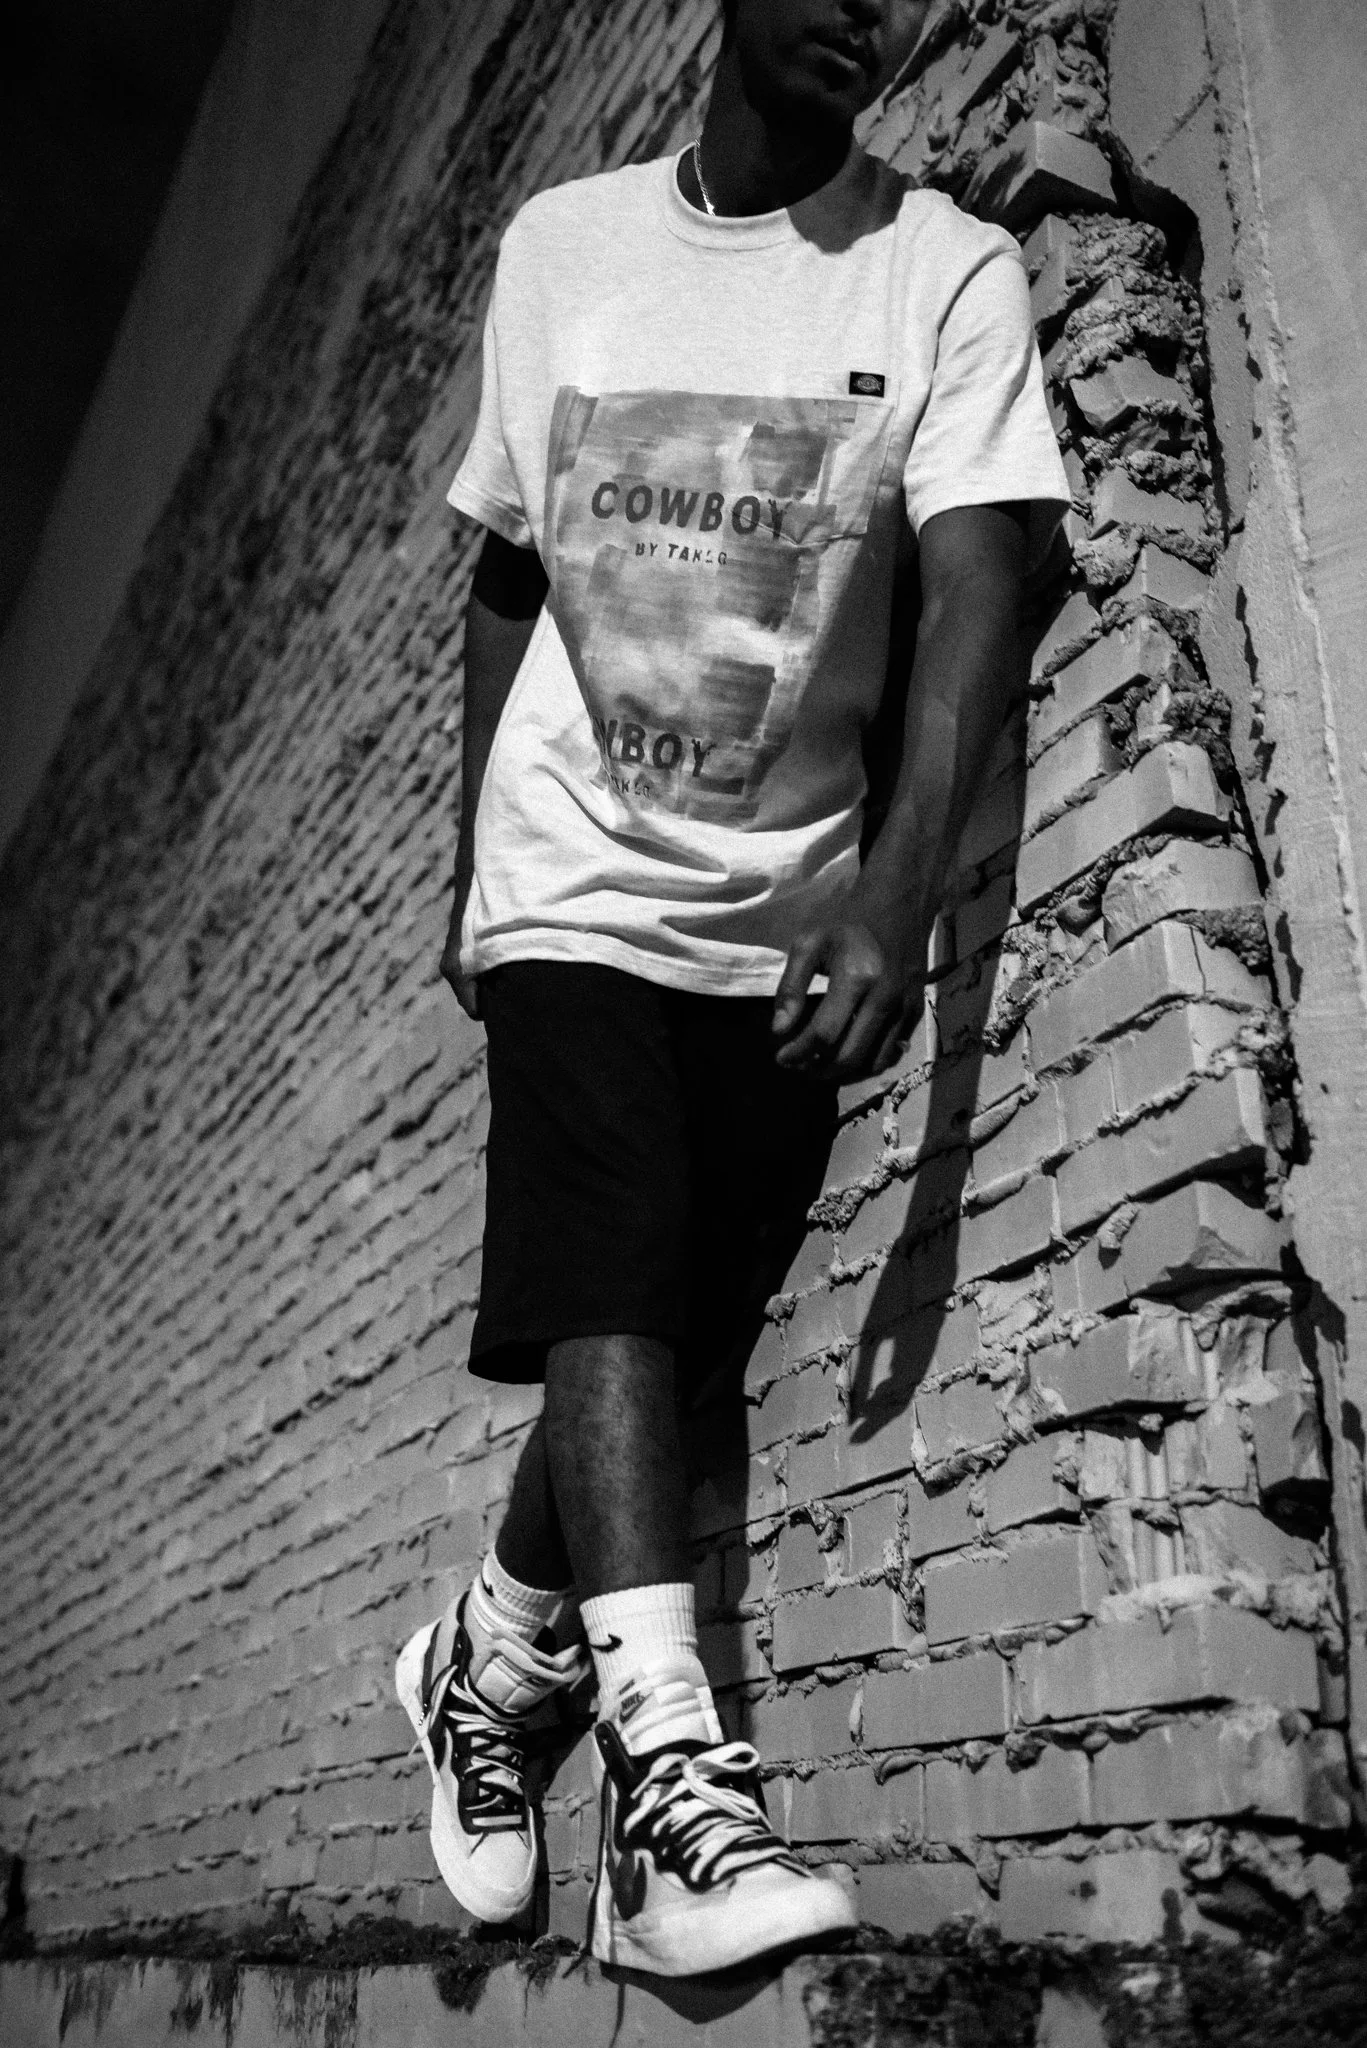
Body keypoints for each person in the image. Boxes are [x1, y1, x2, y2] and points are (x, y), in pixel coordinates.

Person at [395, 0, 1069, 1979]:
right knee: (611, 1262)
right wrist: (469, 872)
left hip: (781, 896)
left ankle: (491, 1651)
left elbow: (981, 579)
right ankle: (673, 1799)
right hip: (572, 871)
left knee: (679, 1318)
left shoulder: (944, 270)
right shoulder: (562, 250)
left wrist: (889, 883)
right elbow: (505, 569)